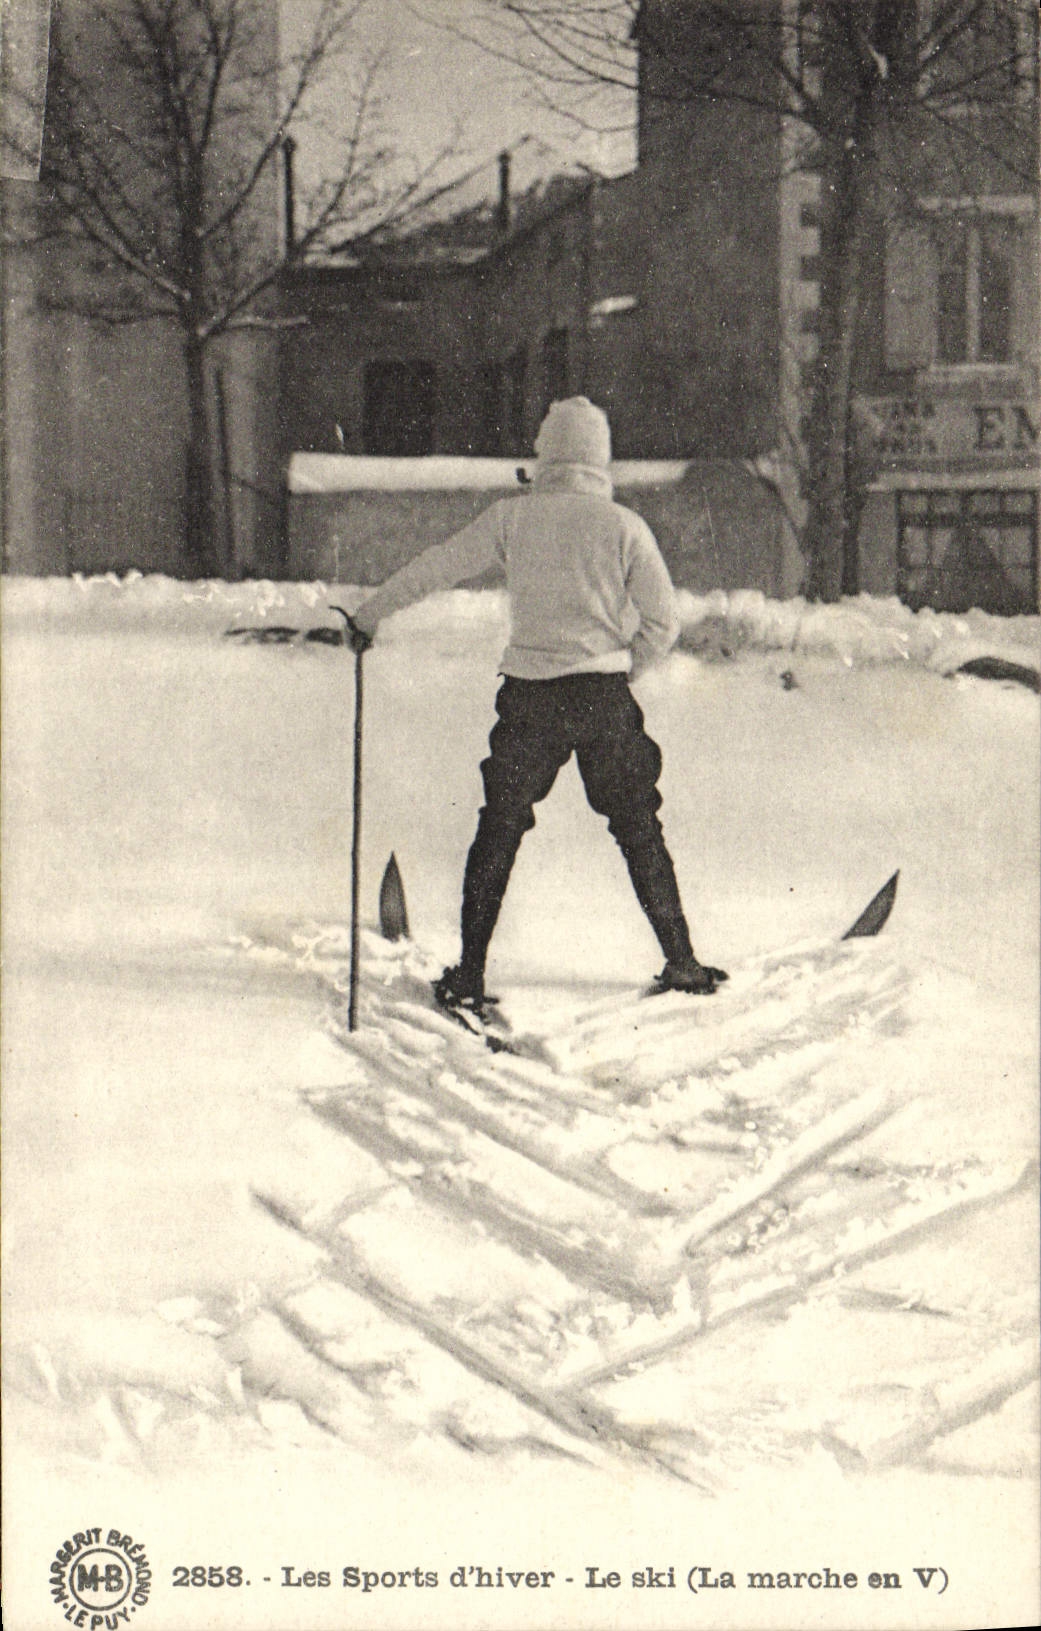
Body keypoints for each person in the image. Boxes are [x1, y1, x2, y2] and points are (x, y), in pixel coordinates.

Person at [349, 396, 727, 1018]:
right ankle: (681, 958)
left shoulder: (512, 520)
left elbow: (436, 567)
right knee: (638, 827)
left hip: (530, 699)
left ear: (547, 453)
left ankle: (469, 971)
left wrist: (369, 616)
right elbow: (663, 622)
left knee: (500, 825)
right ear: (600, 457)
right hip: (604, 698)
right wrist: (624, 667)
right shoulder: (624, 527)